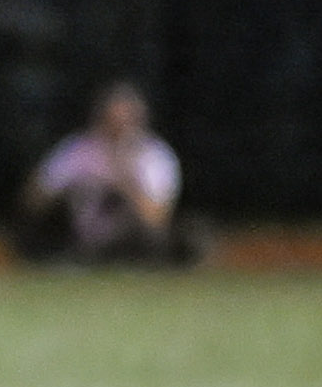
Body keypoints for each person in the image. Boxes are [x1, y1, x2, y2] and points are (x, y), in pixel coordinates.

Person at [16, 81, 201, 266]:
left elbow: (156, 218)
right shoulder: (78, 149)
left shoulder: (155, 155)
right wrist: (70, 186)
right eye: (111, 120)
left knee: (185, 235)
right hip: (81, 235)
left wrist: (123, 178)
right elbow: (33, 199)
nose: (118, 127)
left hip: (132, 240)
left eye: (125, 122)